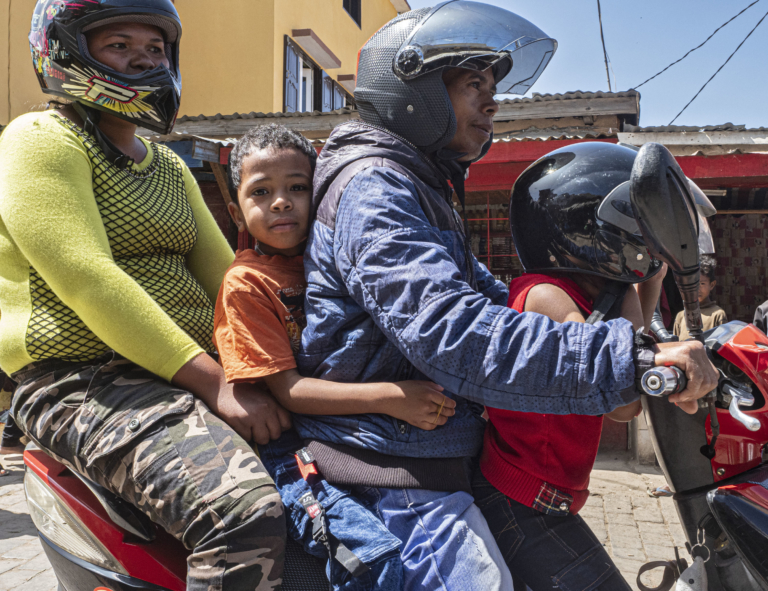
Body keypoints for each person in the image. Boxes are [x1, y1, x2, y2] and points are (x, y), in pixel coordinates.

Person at [292, 4, 718, 591]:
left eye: (493, 88)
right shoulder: (375, 187)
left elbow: (489, 303)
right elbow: (450, 328)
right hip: (388, 470)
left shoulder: (419, 186)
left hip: (433, 454)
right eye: (474, 85)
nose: (491, 104)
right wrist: (631, 361)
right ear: (412, 90)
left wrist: (634, 344)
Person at [1, 2, 286, 589]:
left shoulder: (169, 168)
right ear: (64, 52)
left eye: (155, 48)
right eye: (120, 45)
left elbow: (231, 280)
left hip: (191, 372)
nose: (144, 61)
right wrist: (216, 383)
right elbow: (87, 278)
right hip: (83, 380)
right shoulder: (42, 139)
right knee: (240, 515)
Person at [214, 124, 456, 590]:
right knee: (370, 558)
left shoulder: (337, 257)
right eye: (261, 192)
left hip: (351, 434)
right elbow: (289, 392)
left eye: (297, 188)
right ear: (236, 214)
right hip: (289, 445)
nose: (280, 202)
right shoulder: (247, 283)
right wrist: (393, 397)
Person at [473, 142, 665, 590]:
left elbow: (629, 362)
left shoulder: (589, 296)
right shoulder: (545, 296)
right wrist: (632, 284)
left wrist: (643, 282)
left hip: (545, 498)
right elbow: (623, 402)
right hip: (521, 500)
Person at [673, 255, 727, 340]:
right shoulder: (681, 316)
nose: (697, 289)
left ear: (712, 285)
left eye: (702, 284)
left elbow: (721, 343)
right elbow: (675, 345)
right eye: (693, 283)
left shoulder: (717, 314)